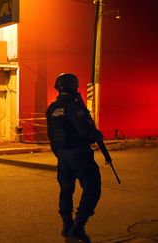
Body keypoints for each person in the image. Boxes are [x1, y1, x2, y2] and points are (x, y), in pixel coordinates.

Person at [46, 73, 103, 242]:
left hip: (62, 155)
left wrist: (60, 153)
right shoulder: (74, 107)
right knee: (92, 188)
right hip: (79, 153)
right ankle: (78, 225)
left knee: (66, 190)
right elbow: (86, 132)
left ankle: (67, 225)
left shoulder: (52, 108)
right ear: (73, 87)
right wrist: (97, 135)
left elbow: (51, 136)